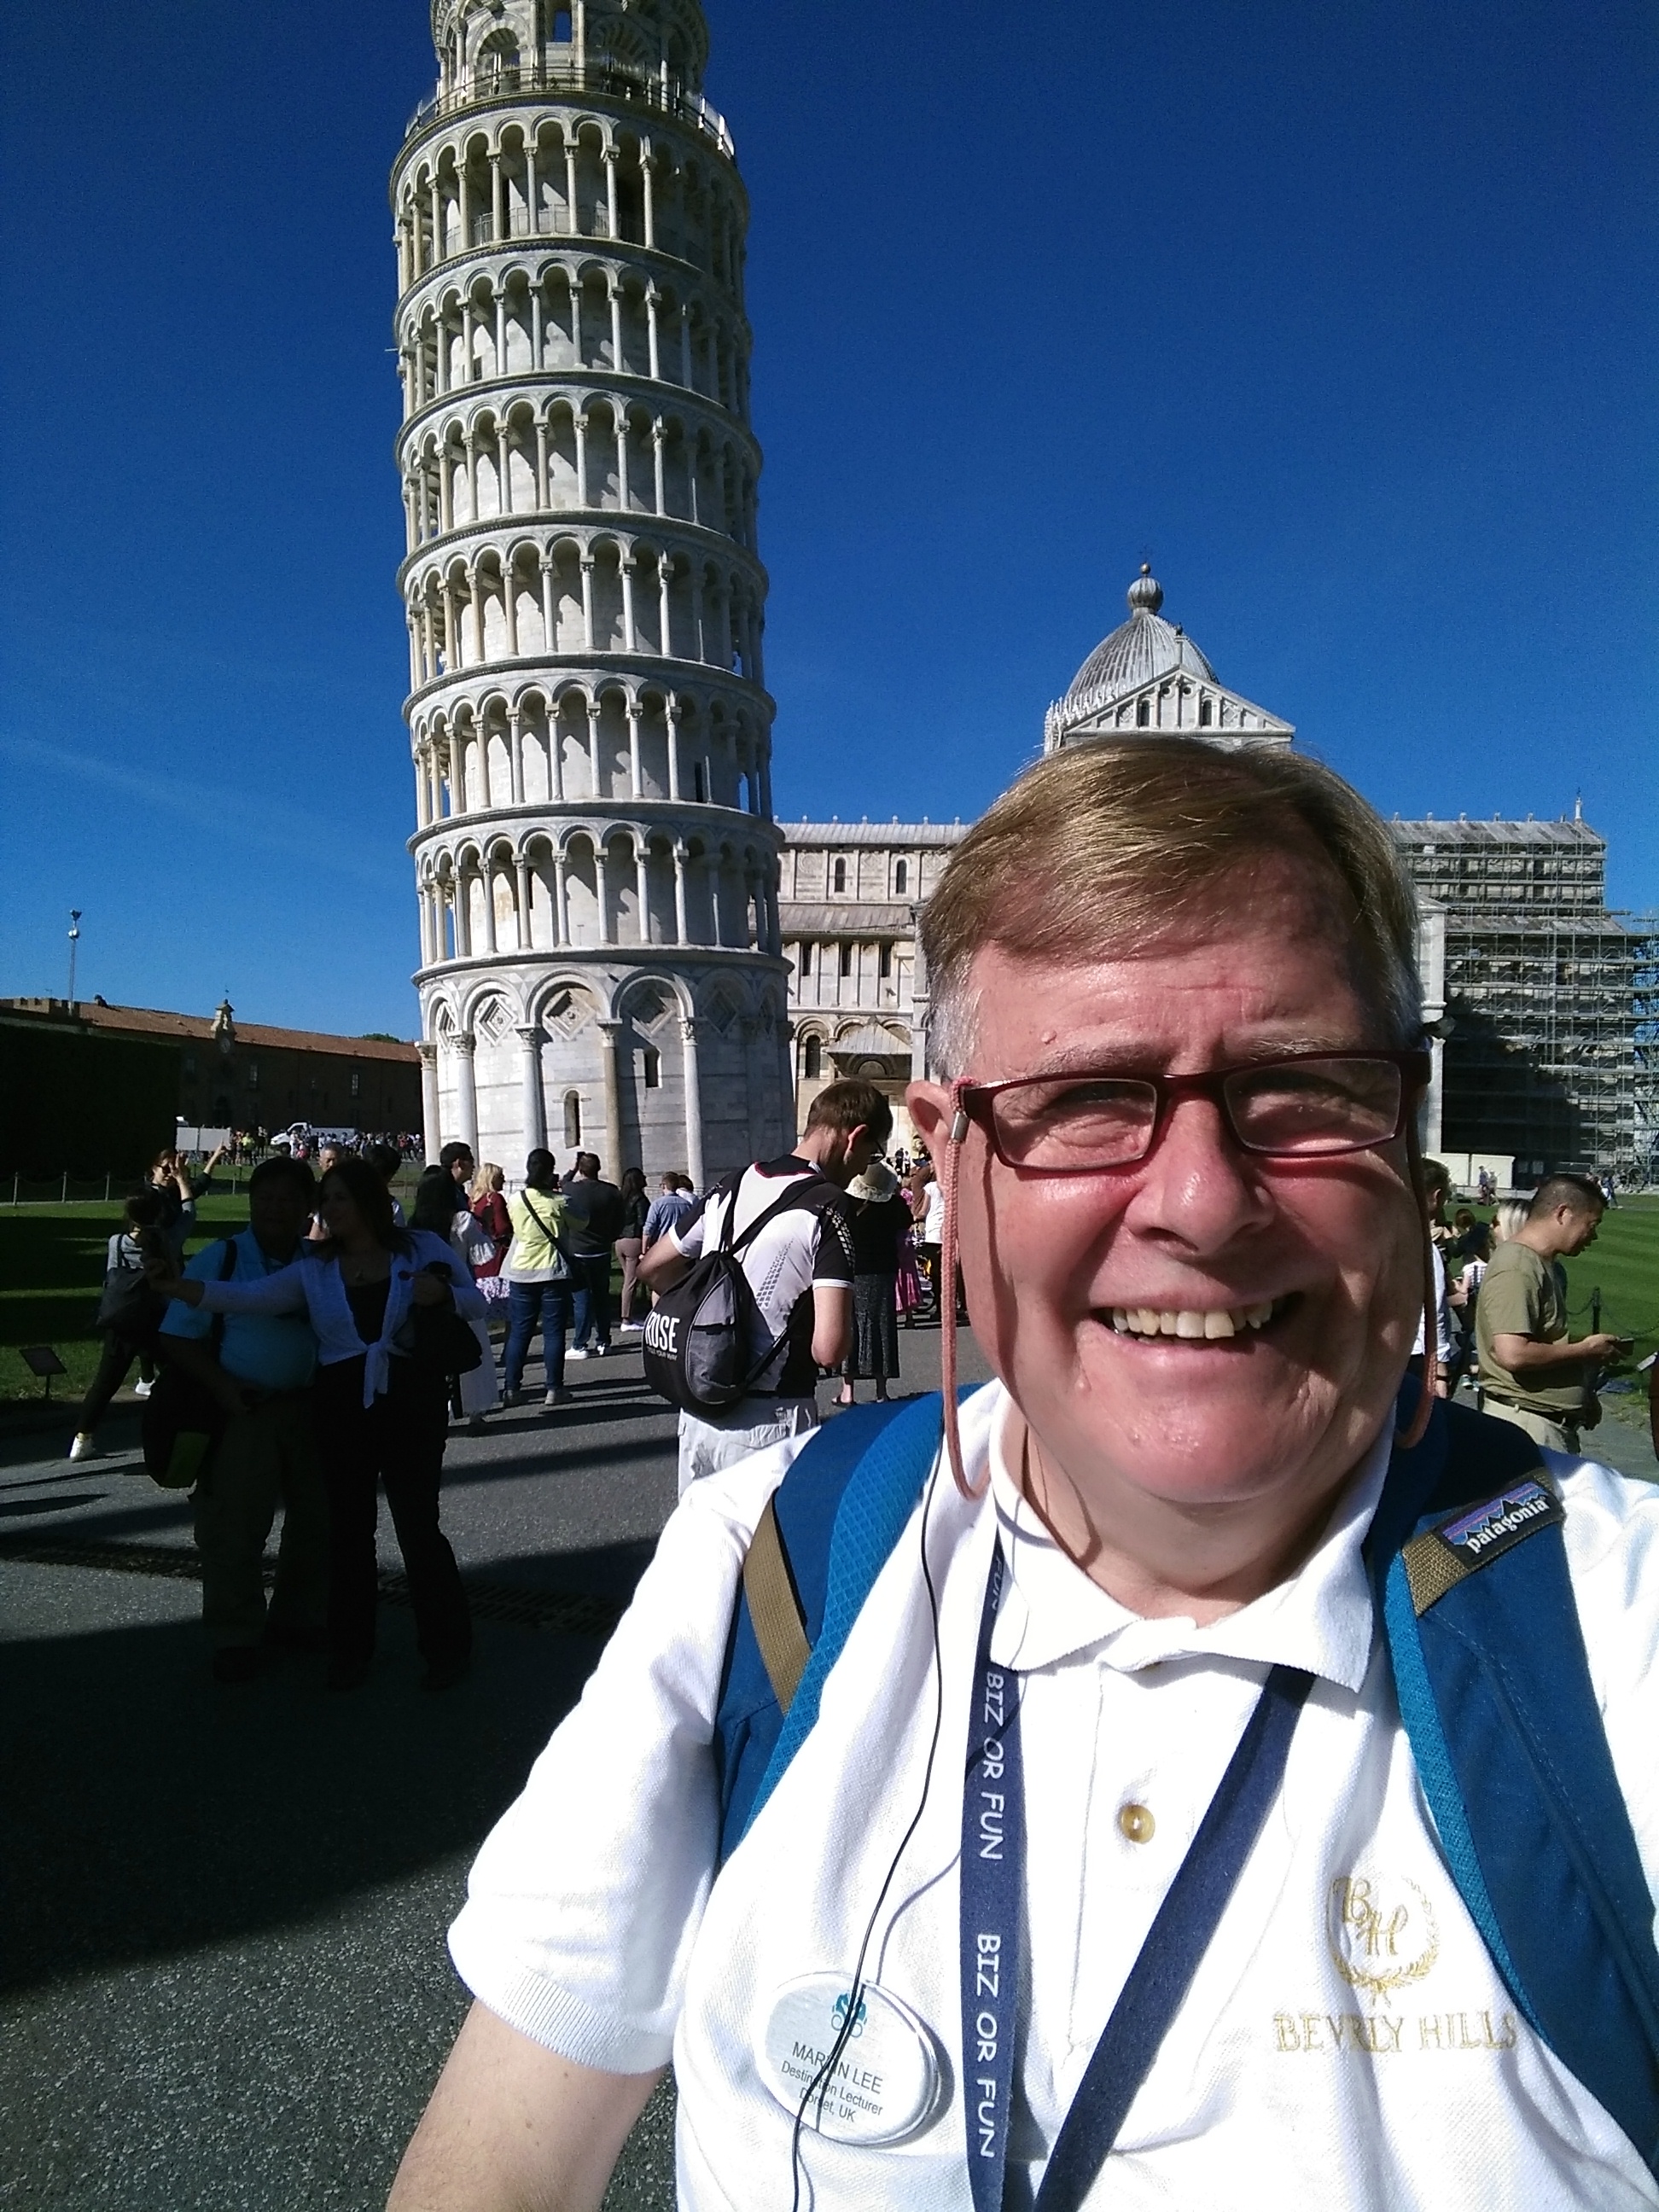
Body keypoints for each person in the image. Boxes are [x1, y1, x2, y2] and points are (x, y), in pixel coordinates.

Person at [391, 736, 1659, 2212]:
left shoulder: (1611, 1638)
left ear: (1406, 1125)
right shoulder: (762, 1562)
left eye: (1300, 1090)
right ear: (945, 1156)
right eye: (1081, 1100)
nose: (1197, 1201)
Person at [150, 1155, 481, 1692]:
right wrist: (181, 1289)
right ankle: (350, 1650)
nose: (328, 1210)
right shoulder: (316, 1267)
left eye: (339, 1199)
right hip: (341, 1406)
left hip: (409, 1406)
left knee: (419, 1528)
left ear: (369, 1202)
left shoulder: (421, 1248)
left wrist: (443, 1294)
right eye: (325, 1199)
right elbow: (250, 1298)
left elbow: (484, 1302)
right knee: (348, 1532)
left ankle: (445, 1648)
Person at [638, 1080, 880, 1493]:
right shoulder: (828, 1204)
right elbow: (829, 1348)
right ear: (854, 1136)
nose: (862, 1169)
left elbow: (652, 1267)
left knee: (705, 1553)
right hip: (771, 1418)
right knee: (769, 1555)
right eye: (868, 1155)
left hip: (701, 1410)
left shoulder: (731, 1183)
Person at [156, 1156, 328, 1683]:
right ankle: (235, 1633)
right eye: (266, 1198)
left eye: (288, 1200)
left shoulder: (318, 1262)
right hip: (243, 1412)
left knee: (317, 1522)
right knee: (233, 1526)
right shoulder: (223, 1258)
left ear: (307, 1210)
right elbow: (176, 1333)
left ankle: (298, 1618)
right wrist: (223, 1387)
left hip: (308, 1408)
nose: (275, 1209)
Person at [1474, 1173, 1625, 1452]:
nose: (1593, 1235)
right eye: (1591, 1224)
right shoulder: (1518, 1266)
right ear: (1563, 1214)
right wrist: (1585, 1351)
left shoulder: (1540, 1264)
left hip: (1541, 1424)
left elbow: (1539, 1339)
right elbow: (1513, 1353)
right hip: (1529, 1427)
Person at [68, 1188, 169, 1459]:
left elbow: (111, 1275)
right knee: (175, 1376)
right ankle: (177, 1430)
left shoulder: (116, 1242)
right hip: (153, 1317)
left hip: (121, 1317)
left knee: (105, 1382)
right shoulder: (160, 1241)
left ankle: (82, 1437)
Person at [834, 1156, 911, 1406]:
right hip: (883, 1269)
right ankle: (881, 1390)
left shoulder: (846, 1202)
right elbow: (904, 1229)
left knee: (851, 1324)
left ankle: (848, 1391)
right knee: (882, 1325)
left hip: (852, 1269)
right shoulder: (895, 1204)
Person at [501, 1150, 574, 1410]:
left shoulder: (515, 1200)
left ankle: (511, 1388)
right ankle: (554, 1388)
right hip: (552, 1269)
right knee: (553, 1332)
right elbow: (582, 1221)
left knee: (520, 1331)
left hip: (521, 1268)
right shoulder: (559, 1202)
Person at [561, 1153, 624, 1358]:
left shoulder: (571, 1189)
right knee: (601, 1298)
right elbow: (619, 1221)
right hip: (601, 1250)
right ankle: (604, 1341)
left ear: (581, 1169)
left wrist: (572, 1169)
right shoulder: (611, 1191)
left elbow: (562, 1183)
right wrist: (610, 1237)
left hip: (577, 1250)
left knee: (581, 1299)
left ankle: (580, 1343)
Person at [614, 1167, 650, 1331]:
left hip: (619, 1241)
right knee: (630, 1282)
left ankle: (629, 1315)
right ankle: (626, 1319)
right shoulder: (640, 1199)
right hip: (633, 1241)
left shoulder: (620, 1199)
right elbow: (643, 1222)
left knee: (628, 1281)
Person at [640, 1172, 696, 1255]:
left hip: (661, 1245)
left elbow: (648, 1228)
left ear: (663, 1185)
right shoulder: (687, 1204)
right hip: (680, 1246)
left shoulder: (657, 1204)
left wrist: (644, 1250)